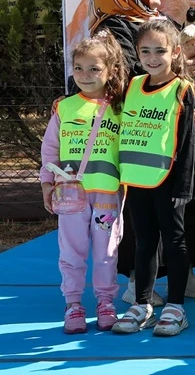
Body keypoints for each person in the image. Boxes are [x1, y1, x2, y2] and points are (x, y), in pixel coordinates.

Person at [83, 0, 195, 303]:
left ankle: (185, 273)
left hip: (175, 124)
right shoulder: (111, 29)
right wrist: (179, 67)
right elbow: (127, 76)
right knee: (141, 208)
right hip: (141, 131)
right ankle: (136, 282)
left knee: (186, 198)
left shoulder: (160, 20)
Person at [112, 19, 195, 337]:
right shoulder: (132, 86)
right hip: (137, 181)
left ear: (175, 52)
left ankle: (176, 307)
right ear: (137, 52)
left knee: (174, 241)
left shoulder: (182, 90)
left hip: (169, 183)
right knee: (144, 241)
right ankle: (143, 303)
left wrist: (184, 185)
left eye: (160, 51)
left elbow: (189, 143)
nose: (152, 57)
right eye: (145, 50)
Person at [41, 33, 128, 334]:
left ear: (111, 70)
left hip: (106, 195)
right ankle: (73, 304)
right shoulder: (64, 107)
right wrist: (46, 183)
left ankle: (106, 302)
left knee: (106, 252)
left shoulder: (121, 108)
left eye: (94, 69)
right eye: (78, 68)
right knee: (71, 251)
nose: (85, 75)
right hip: (69, 196)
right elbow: (50, 149)